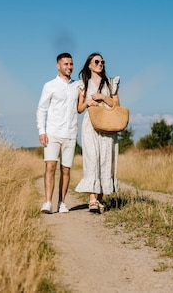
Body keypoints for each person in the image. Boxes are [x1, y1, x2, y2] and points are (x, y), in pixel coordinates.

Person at [74, 52, 121, 214]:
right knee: (92, 159)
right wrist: (87, 102)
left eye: (102, 61)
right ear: (89, 65)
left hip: (107, 125)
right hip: (90, 126)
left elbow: (117, 105)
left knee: (105, 160)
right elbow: (79, 109)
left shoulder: (110, 83)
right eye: (97, 61)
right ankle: (92, 200)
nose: (100, 64)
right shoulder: (82, 84)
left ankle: (100, 200)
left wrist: (102, 97)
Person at [36, 52, 80, 214]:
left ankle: (62, 202)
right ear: (58, 66)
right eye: (66, 64)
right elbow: (41, 109)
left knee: (66, 169)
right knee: (50, 166)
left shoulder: (78, 85)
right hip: (53, 132)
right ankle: (48, 202)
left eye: (71, 64)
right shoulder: (50, 86)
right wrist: (42, 131)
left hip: (70, 133)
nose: (69, 67)